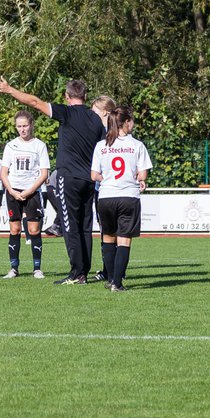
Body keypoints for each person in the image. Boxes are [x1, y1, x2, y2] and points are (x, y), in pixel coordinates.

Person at [0, 77, 111, 285]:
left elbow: (35, 102)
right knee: (85, 226)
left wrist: (10, 90)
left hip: (69, 178)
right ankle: (83, 271)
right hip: (89, 179)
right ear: (85, 96)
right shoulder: (95, 119)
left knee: (70, 225)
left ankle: (76, 273)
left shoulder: (66, 112)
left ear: (67, 96)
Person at [90, 106, 152, 292]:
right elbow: (142, 175)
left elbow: (94, 175)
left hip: (106, 197)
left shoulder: (102, 145)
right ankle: (117, 283)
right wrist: (140, 181)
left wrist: (108, 179)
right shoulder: (137, 145)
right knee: (124, 240)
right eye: (132, 121)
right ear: (126, 122)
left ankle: (110, 279)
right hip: (128, 196)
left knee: (108, 239)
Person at [0, 110, 51, 279]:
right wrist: (12, 191)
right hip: (13, 191)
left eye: (25, 126)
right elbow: (4, 173)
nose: (22, 129)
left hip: (32, 192)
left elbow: (44, 173)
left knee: (34, 229)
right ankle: (14, 268)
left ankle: (37, 268)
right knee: (15, 229)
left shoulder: (39, 145)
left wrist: (29, 190)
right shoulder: (10, 145)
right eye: (19, 126)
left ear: (31, 125)